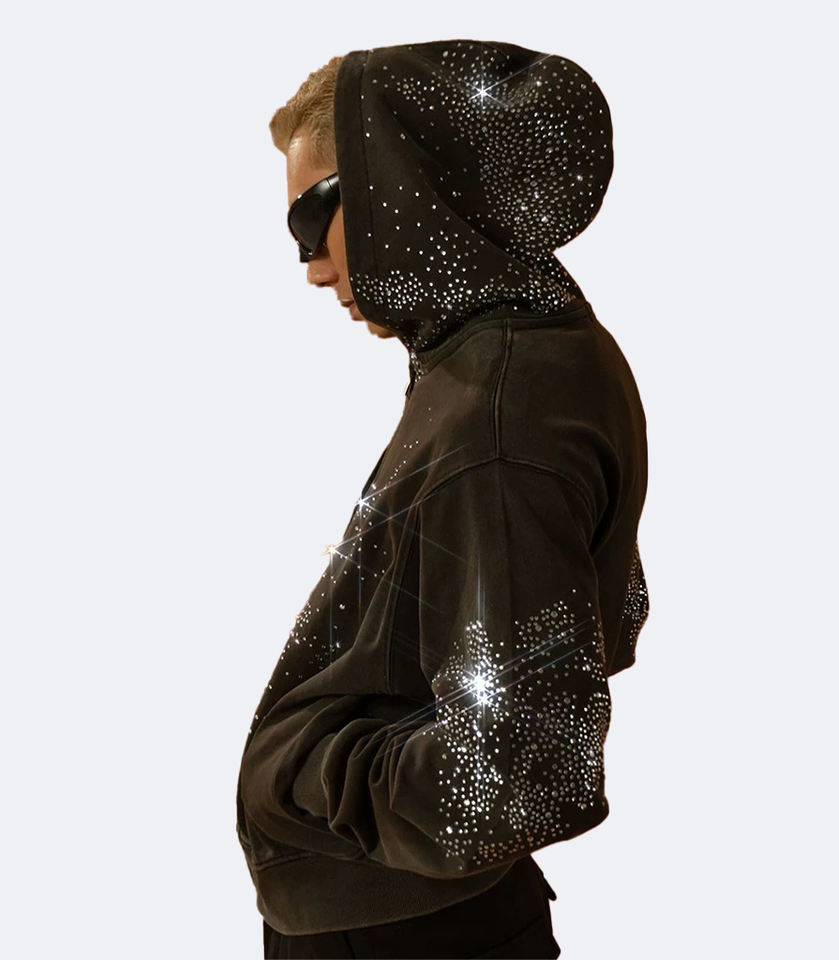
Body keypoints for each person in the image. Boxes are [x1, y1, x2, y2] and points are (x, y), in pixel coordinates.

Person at [236, 38, 650, 959]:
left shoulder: (499, 416)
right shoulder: (516, 357)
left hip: (414, 936)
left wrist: (297, 774)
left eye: (312, 219)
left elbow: (524, 769)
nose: (312, 267)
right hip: (431, 919)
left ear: (396, 184)